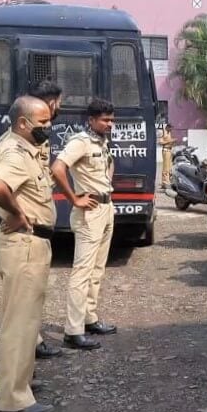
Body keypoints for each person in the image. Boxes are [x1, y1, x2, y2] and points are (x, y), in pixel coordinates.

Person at [0, 96, 55, 412]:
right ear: (23, 124)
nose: (49, 127)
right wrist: (18, 213)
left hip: (29, 244)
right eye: (43, 123)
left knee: (26, 322)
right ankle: (14, 398)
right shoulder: (15, 152)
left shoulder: (24, 147)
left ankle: (21, 382)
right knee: (19, 323)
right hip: (24, 243)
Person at [51, 98, 117, 350]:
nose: (110, 124)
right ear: (91, 120)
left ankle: (89, 318)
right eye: (105, 120)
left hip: (105, 207)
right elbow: (58, 169)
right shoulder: (80, 142)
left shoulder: (101, 141)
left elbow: (107, 167)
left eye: (111, 120)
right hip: (89, 214)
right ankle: (73, 330)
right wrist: (74, 199)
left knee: (97, 270)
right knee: (82, 272)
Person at [27, 79, 63, 360]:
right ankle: (26, 351)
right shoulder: (19, 143)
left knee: (34, 297)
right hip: (24, 233)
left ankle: (33, 343)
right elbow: (4, 187)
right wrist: (19, 216)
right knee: (24, 301)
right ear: (50, 102)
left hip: (39, 231)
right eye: (58, 102)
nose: (60, 108)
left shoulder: (40, 138)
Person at [158, 124, 176, 189]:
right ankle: (165, 182)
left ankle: (166, 182)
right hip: (165, 151)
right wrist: (170, 141)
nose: (171, 130)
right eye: (170, 128)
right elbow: (160, 142)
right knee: (165, 168)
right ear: (167, 127)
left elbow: (169, 141)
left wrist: (173, 142)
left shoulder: (169, 132)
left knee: (169, 167)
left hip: (169, 150)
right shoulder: (162, 132)